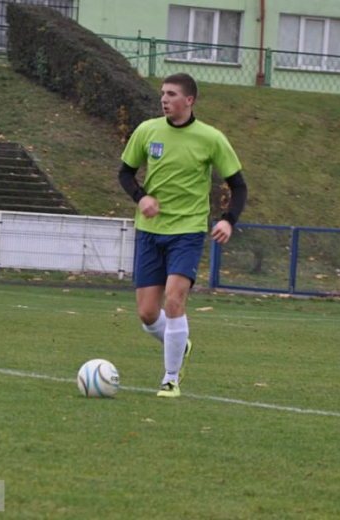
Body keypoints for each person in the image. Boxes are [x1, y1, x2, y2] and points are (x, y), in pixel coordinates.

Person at [118, 73, 247, 398]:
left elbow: (239, 186)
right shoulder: (147, 131)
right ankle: (179, 341)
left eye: (171, 94)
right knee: (148, 314)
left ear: (188, 100)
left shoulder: (211, 138)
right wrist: (141, 197)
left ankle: (170, 379)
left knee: (175, 300)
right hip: (150, 232)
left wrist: (228, 220)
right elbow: (125, 173)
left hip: (187, 232)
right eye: (162, 93)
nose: (164, 99)